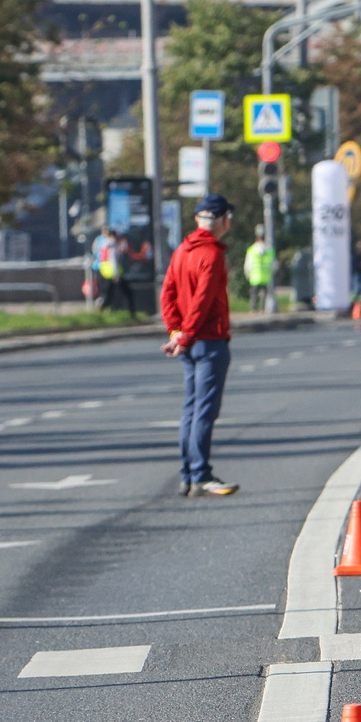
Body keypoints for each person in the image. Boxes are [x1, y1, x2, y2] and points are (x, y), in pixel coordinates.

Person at [160, 195, 241, 498]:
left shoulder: (181, 251)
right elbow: (202, 301)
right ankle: (201, 474)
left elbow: (167, 293)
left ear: (197, 219)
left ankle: (187, 474)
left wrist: (175, 332)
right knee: (205, 410)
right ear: (222, 220)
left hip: (188, 342)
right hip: (209, 341)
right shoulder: (211, 254)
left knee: (191, 409)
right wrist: (187, 335)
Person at [241, 229, 277, 315]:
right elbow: (274, 264)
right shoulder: (269, 250)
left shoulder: (251, 250)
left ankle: (253, 309)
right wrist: (272, 273)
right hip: (266, 276)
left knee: (254, 294)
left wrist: (247, 274)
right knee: (264, 294)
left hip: (254, 276)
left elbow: (248, 264)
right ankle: (262, 309)